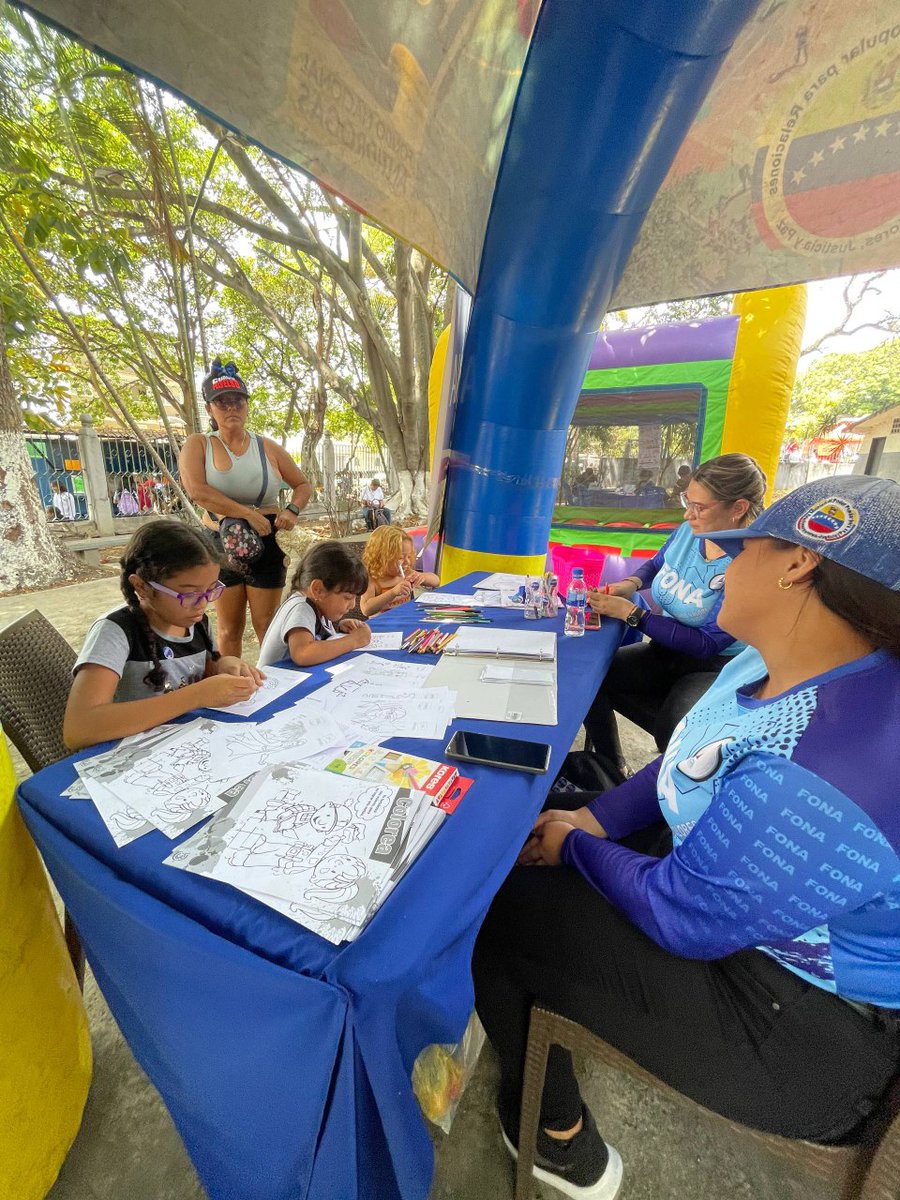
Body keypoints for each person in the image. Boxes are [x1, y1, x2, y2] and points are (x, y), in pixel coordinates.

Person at [474, 475, 900, 1200]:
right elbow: (687, 762)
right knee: (524, 825)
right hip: (738, 911)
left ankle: (557, 1138)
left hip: (805, 1027)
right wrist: (589, 821)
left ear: (800, 562)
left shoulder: (834, 758)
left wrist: (574, 846)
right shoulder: (772, 659)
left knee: (492, 902)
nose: (721, 566)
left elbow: (682, 915)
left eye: (739, 550)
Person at [584, 453, 767, 772]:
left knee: (675, 731)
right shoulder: (689, 531)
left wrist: (632, 614)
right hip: (666, 650)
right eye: (688, 501)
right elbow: (657, 565)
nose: (688, 513)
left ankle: (665, 801)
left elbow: (707, 644)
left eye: (700, 507)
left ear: (737, 508)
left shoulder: (752, 563)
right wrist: (630, 583)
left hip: (712, 668)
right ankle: (611, 766)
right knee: (588, 677)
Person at [64, 521, 264, 751]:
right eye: (189, 593)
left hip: (186, 745)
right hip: (132, 757)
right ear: (141, 587)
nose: (203, 603)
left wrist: (224, 665)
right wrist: (196, 696)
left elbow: (201, 670)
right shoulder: (115, 631)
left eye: (211, 590)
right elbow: (79, 728)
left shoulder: (195, 622)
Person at [179, 358, 312, 657]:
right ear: (210, 408)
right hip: (221, 545)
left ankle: (274, 683)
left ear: (247, 405)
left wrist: (291, 510)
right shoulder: (198, 444)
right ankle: (233, 688)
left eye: (238, 401)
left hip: (267, 541)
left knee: (268, 625)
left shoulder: (267, 447)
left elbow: (303, 485)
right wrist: (248, 513)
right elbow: (198, 491)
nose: (231, 408)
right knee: (229, 628)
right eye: (222, 402)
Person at [257, 540, 371, 668]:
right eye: (347, 598)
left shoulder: (319, 607)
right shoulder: (300, 607)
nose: (352, 605)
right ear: (318, 590)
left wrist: (339, 630)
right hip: (275, 686)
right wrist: (353, 641)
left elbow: (317, 638)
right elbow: (303, 653)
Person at [360, 525, 418, 617]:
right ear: (381, 557)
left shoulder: (406, 572)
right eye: (400, 558)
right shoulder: (372, 579)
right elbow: (366, 610)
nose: (407, 561)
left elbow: (436, 581)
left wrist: (421, 577)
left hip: (405, 621)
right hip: (381, 627)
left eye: (409, 556)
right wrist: (393, 592)